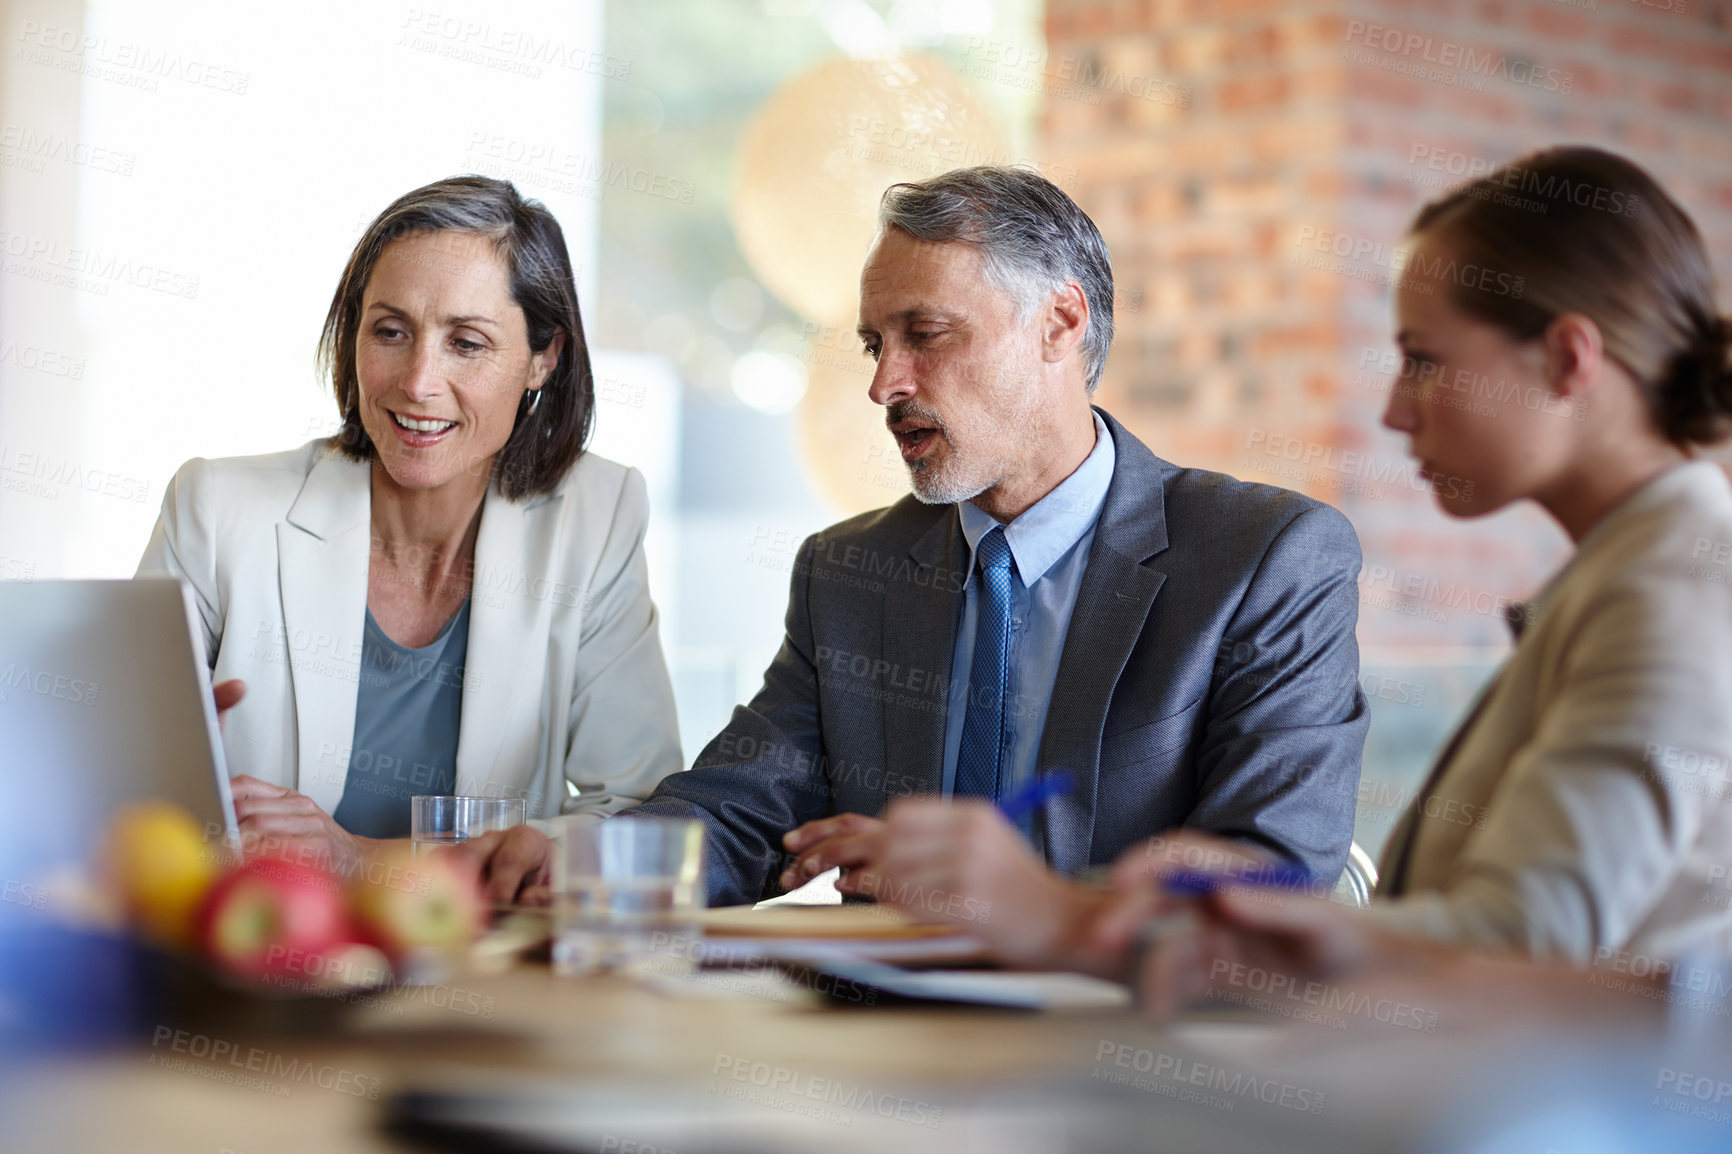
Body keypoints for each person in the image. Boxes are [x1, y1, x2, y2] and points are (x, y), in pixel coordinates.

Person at [868, 146, 1732, 972]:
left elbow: (1511, 948)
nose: (1395, 411)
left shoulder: (1672, 584)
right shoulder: (1641, 570)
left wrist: (1068, 916)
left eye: (1423, 361)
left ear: (1567, 357)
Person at [622, 165, 1370, 906]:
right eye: (875, 345)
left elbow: (1273, 866)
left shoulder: (1267, 560)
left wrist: (1026, 902)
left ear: (1059, 324)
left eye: (926, 334)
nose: (885, 385)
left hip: (1115, 1019)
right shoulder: (850, 571)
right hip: (877, 1019)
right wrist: (586, 861)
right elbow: (738, 811)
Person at [135, 176, 682, 899]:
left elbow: (643, 819)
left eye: (467, 343)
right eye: (391, 331)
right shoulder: (217, 508)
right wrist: (163, 767)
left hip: (482, 978)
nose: (419, 382)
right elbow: (103, 782)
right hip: (255, 965)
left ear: (543, 358)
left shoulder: (597, 516)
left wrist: (361, 858)